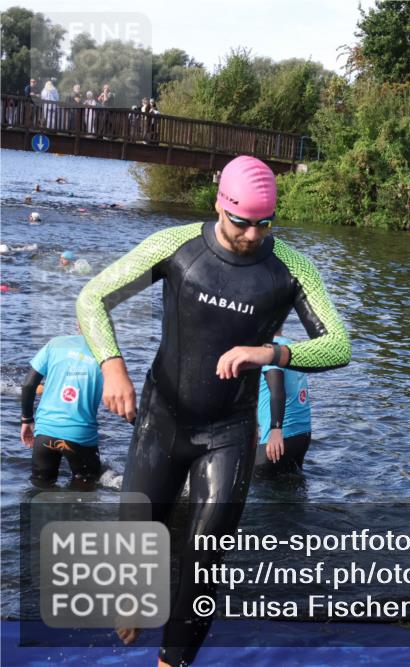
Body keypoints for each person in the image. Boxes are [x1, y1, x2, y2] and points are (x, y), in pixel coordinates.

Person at [76, 154, 351, 666]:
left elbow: (339, 346)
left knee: (205, 560)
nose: (252, 235)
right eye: (241, 222)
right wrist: (112, 366)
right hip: (162, 419)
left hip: (228, 431)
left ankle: (172, 660)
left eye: (264, 224)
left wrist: (271, 353)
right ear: (219, 206)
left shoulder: (290, 268)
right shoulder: (175, 247)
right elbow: (92, 298)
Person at [20, 333, 104, 490]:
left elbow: (28, 385)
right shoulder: (108, 356)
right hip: (80, 437)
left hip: (45, 433)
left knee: (40, 490)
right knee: (85, 492)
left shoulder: (55, 344)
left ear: (79, 323)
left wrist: (26, 419)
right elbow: (119, 401)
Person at [255, 330, 312, 477]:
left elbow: (277, 390)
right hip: (302, 436)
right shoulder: (291, 348)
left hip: (278, 438)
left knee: (253, 490)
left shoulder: (269, 349)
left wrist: (275, 430)